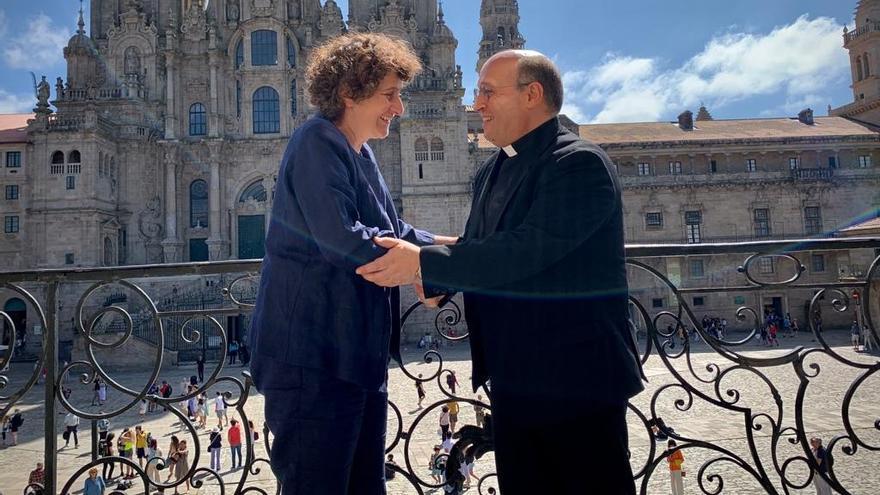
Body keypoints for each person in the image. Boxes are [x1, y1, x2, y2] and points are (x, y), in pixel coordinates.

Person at [357, 49, 645, 494]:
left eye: (489, 92)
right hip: (515, 381)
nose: (477, 105)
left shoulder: (577, 164)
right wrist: (433, 271)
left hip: (577, 382)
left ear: (533, 95)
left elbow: (526, 251)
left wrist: (423, 261)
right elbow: (481, 248)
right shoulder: (492, 170)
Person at [247, 32, 456, 495]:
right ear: (349, 92)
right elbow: (342, 240)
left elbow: (394, 232)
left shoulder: (361, 153)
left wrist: (458, 251)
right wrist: (426, 263)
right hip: (312, 357)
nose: (399, 108)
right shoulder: (316, 141)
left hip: (354, 353)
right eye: (389, 94)